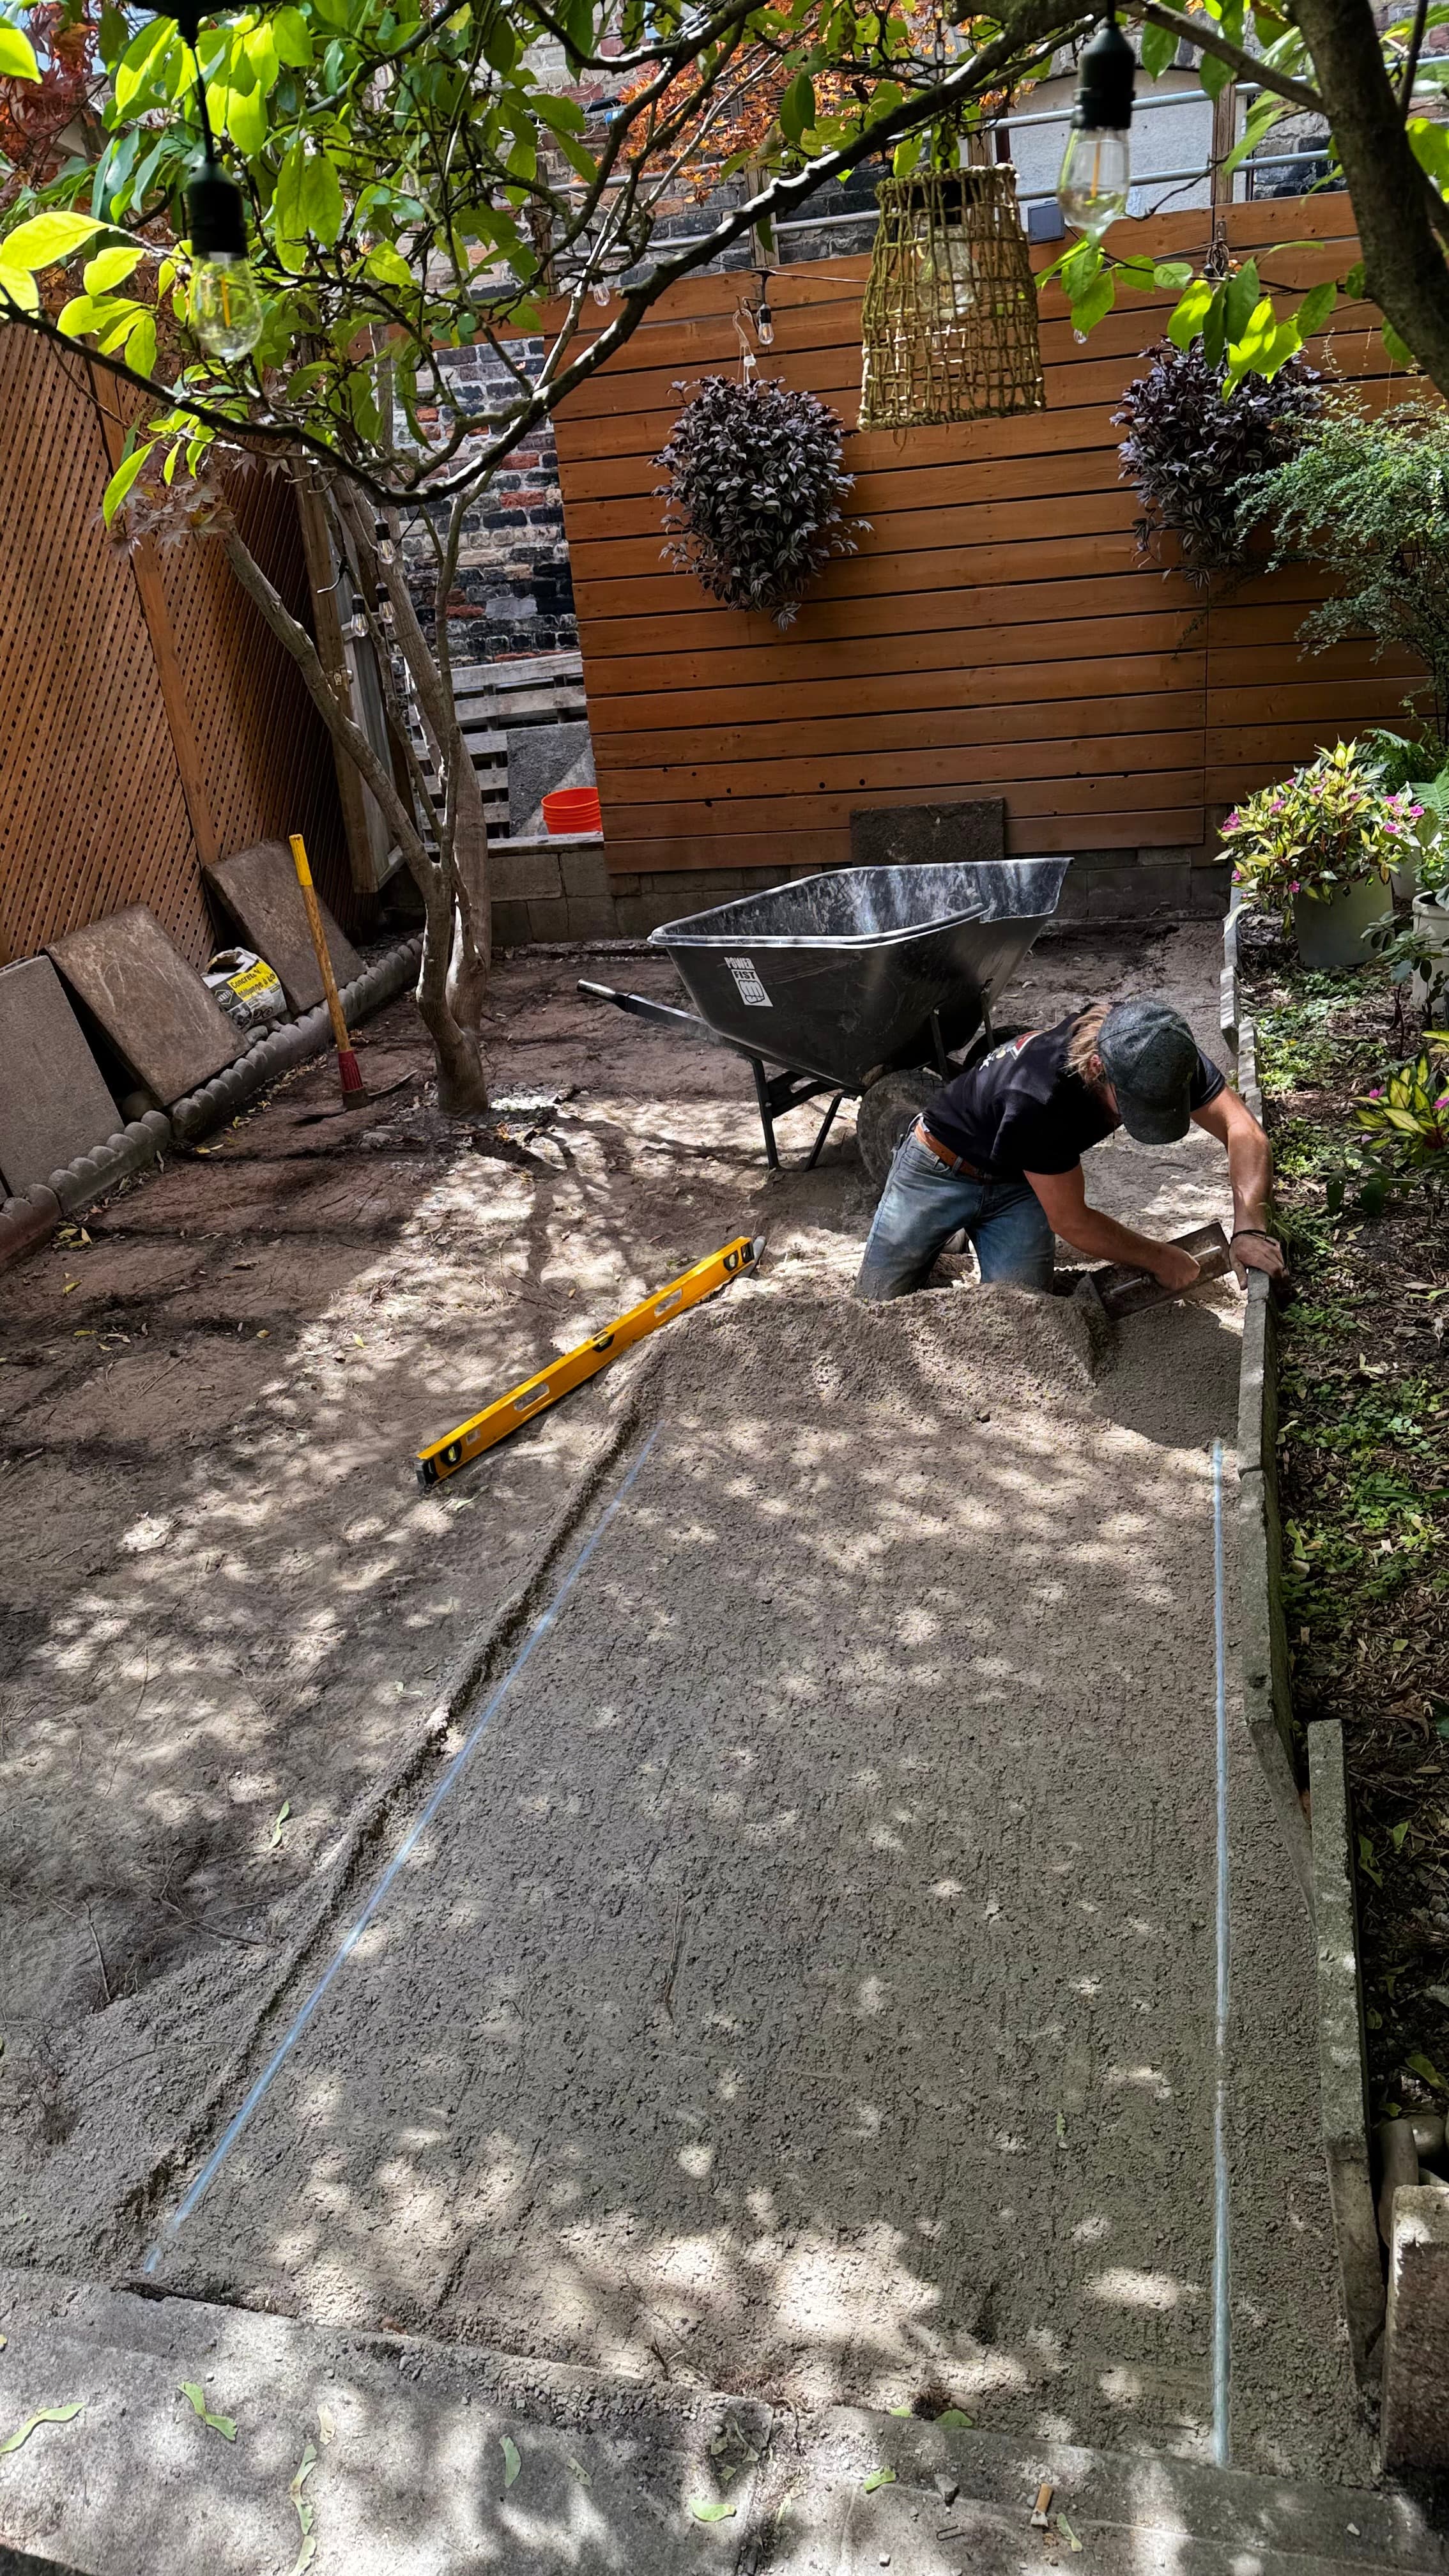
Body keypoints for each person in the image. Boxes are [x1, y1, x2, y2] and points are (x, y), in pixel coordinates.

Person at [854, 997, 1287, 1302]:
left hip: (1020, 1182)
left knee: (1021, 1308)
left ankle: (966, 1230)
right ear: (1098, 1069)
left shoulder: (1154, 1045)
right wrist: (1161, 1257)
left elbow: (1245, 1132)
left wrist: (1249, 1226)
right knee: (875, 1303)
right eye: (1134, 1107)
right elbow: (1072, 1222)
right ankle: (950, 1229)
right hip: (938, 1168)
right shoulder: (1038, 1099)